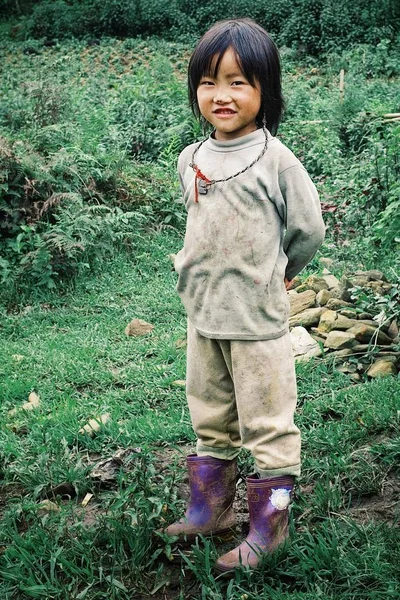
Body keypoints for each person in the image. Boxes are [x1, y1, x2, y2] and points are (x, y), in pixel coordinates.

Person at [163, 18, 325, 572]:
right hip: (203, 314)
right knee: (209, 412)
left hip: (257, 318)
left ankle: (271, 521)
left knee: (268, 424)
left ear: (265, 91)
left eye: (238, 81)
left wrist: (284, 269)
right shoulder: (191, 158)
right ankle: (210, 508)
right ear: (195, 91)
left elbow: (307, 230)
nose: (222, 95)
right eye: (209, 82)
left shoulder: (277, 161)